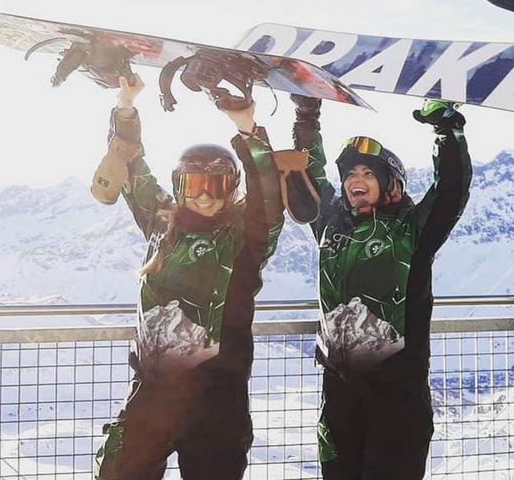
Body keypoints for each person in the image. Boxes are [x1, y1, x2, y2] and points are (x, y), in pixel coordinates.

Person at [93, 75, 285, 480]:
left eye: (216, 184)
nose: (205, 194)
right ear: (180, 186)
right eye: (195, 183)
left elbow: (268, 198)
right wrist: (125, 104)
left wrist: (248, 130)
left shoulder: (244, 241)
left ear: (231, 187)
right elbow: (132, 164)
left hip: (216, 402)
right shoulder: (163, 222)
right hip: (152, 393)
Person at [291, 96, 472, 480]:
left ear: (391, 182)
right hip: (339, 392)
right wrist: (307, 116)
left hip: (397, 395)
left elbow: (450, 191)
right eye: (351, 174)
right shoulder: (331, 224)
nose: (356, 180)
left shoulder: (414, 229)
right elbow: (311, 175)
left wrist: (447, 129)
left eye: (369, 173)